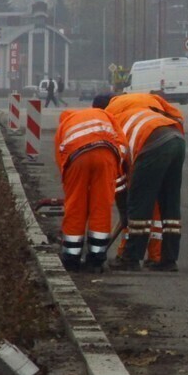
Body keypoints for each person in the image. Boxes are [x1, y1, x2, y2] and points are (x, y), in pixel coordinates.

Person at [101, 93, 186, 272]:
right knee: (170, 201)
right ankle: (168, 259)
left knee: (140, 202)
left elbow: (119, 177)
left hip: (151, 143)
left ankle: (130, 258)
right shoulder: (148, 101)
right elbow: (177, 115)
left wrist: (125, 209)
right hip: (176, 137)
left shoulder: (109, 120)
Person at [54, 106, 129, 272]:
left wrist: (73, 186)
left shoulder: (65, 124)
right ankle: (96, 260)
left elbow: (61, 159)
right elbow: (123, 144)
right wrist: (114, 168)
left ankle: (71, 259)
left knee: (75, 206)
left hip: (77, 158)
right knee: (101, 207)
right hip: (106, 156)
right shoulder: (106, 115)